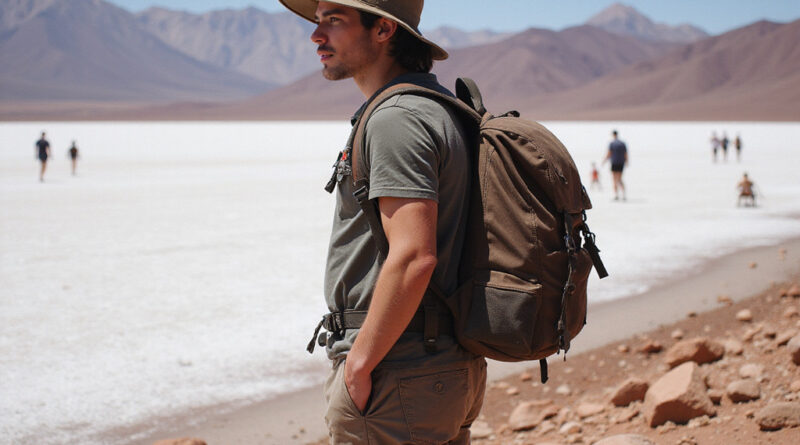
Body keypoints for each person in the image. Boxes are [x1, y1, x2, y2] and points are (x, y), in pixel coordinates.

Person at [279, 1, 486, 443]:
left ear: (383, 30)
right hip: (438, 363)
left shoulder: (398, 119)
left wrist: (360, 363)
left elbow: (413, 255)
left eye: (333, 21)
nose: (316, 36)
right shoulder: (439, 107)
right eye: (318, 22)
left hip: (398, 370)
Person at [602, 129, 628, 201]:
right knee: (619, 179)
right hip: (621, 163)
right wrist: (626, 161)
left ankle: (616, 195)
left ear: (613, 135)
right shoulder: (622, 143)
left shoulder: (612, 143)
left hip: (614, 162)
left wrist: (604, 161)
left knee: (614, 179)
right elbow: (625, 154)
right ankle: (623, 194)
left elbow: (609, 153)